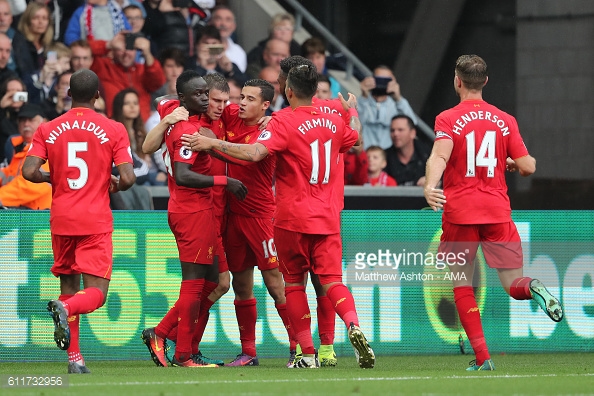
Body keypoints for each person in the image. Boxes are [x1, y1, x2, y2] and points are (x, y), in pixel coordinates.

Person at [184, 64, 375, 369]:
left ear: (283, 93)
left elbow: (255, 153)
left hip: (279, 216)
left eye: (250, 98)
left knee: (288, 284)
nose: (241, 103)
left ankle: (305, 351)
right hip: (307, 216)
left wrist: (211, 143)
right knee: (320, 282)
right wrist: (351, 111)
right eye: (240, 97)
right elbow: (356, 138)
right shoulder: (330, 118)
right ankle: (344, 327)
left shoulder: (279, 122)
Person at [424, 54, 563, 371]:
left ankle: (484, 357)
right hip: (497, 211)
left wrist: (431, 185)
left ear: (457, 81)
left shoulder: (447, 118)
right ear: (485, 81)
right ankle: (533, 287)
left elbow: (439, 156)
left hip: (461, 213)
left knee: (461, 283)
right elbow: (529, 166)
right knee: (513, 285)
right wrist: (510, 162)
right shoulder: (505, 119)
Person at [22, 69, 136, 374]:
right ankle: (67, 308)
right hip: (94, 220)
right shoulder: (113, 129)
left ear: (69, 95)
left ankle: (75, 359)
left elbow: (29, 172)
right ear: (98, 96)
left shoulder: (48, 128)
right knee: (95, 294)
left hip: (61, 218)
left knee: (69, 285)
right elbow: (128, 177)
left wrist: (54, 177)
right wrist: (113, 182)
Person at [140, 70, 247, 368]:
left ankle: (180, 344)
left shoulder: (201, 117)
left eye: (223, 100)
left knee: (215, 282)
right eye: (210, 98)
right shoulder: (185, 125)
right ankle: (177, 346)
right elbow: (162, 158)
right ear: (187, 98)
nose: (218, 105)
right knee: (198, 283)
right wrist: (224, 181)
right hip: (193, 210)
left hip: (206, 211)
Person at [90, 31, 165, 121]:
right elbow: (83, 53)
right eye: (120, 49)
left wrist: (147, 54)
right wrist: (108, 44)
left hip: (141, 128)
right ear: (113, 50)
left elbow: (158, 82)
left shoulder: (142, 70)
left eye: (130, 48)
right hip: (113, 126)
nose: (126, 53)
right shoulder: (103, 67)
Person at [0, 103, 51, 209]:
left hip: (39, 218)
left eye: (31, 120)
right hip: (24, 214)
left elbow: (29, 186)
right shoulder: (20, 147)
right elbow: (8, 174)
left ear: (44, 122)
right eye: (22, 120)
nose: (26, 124)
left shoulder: (47, 147)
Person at [111, 87, 166, 185]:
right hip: (130, 175)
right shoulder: (114, 131)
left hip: (147, 172)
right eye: (127, 103)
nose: (132, 107)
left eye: (135, 103)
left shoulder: (141, 131)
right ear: (119, 107)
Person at [359, 65, 416, 150]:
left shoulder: (396, 105)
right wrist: (364, 96)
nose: (382, 84)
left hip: (386, 157)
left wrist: (398, 98)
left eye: (386, 81)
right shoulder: (362, 102)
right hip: (363, 154)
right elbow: (354, 125)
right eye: (378, 80)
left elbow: (412, 124)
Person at [384, 114, 430, 186]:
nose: (395, 134)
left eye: (400, 130)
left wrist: (434, 181)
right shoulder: (384, 157)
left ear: (412, 133)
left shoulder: (429, 154)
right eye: (392, 130)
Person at [64, 0, 131, 47]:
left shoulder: (118, 13)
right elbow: (70, 38)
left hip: (112, 60)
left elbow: (128, 35)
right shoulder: (80, 12)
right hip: (90, 59)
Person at [0, 0, 35, 78]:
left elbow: (28, 71)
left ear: (11, 18)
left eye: (6, 14)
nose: (2, 19)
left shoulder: (19, 39)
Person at [208, 5, 246, 73]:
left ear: (234, 26)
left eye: (228, 20)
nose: (223, 24)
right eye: (218, 19)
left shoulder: (239, 52)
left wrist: (231, 69)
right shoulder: (201, 48)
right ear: (210, 23)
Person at [17, 2, 54, 71]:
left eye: (44, 18)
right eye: (36, 18)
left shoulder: (48, 45)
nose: (41, 22)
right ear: (28, 20)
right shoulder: (20, 43)